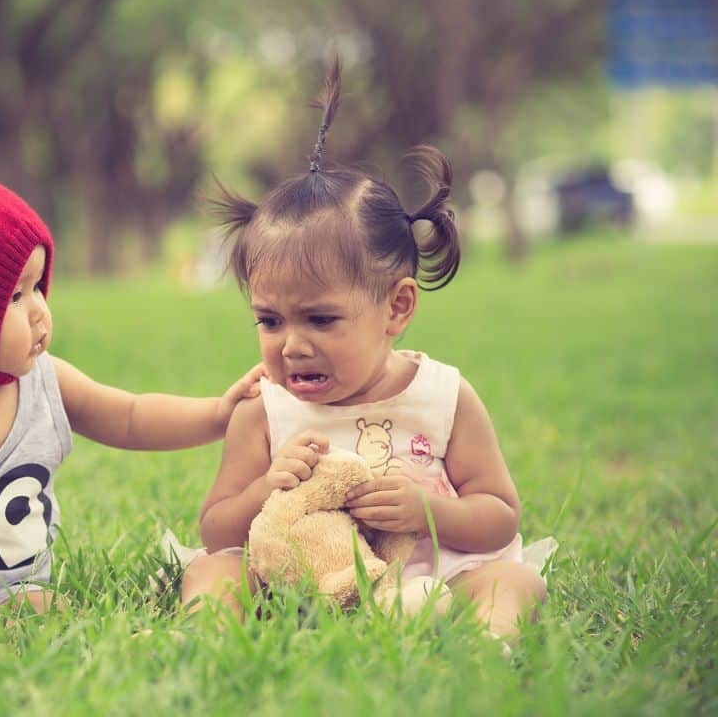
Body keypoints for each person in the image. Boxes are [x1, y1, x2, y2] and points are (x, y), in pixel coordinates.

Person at [179, 61, 550, 639]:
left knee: (516, 582)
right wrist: (265, 488)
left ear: (397, 308)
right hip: (298, 578)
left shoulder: (444, 396)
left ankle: (485, 643)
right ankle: (206, 638)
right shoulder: (263, 408)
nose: (292, 345)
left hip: (426, 582)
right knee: (212, 571)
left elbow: (500, 516)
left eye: (321, 319)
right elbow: (216, 528)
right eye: (269, 319)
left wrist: (431, 513)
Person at [0, 165, 263, 616]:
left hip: (21, 595)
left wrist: (217, 413)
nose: (40, 311)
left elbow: (131, 417)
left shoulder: (43, 380)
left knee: (42, 606)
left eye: (38, 287)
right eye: (15, 298)